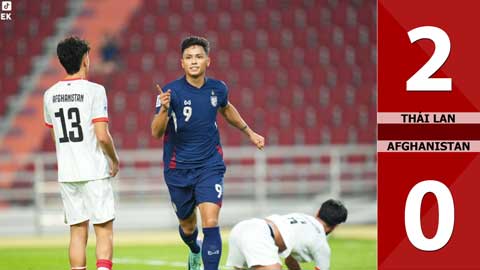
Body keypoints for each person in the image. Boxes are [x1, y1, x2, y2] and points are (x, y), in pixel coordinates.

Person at [151, 36, 265, 270]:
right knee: (188, 227)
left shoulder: (218, 88)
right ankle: (194, 249)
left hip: (209, 166)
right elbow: (155, 132)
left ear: (208, 61)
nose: (194, 61)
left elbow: (226, 108)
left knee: (211, 222)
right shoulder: (170, 93)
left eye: (198, 57)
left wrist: (249, 132)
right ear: (181, 63)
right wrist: (163, 109)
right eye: (189, 57)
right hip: (177, 169)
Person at [43, 36, 120, 270]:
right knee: (103, 230)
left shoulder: (49, 94)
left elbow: (55, 136)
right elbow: (102, 135)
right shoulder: (95, 91)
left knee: (77, 231)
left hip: (67, 172)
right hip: (94, 170)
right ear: (85, 59)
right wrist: (114, 160)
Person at [226, 199, 348, 270]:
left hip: (243, 227)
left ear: (318, 212)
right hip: (261, 237)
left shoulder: (302, 217)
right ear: (336, 226)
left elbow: (290, 260)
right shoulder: (321, 244)